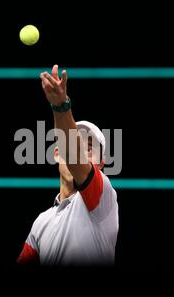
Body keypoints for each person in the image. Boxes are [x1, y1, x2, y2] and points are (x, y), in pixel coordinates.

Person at [17, 65, 119, 265]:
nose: (79, 151)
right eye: (76, 144)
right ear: (57, 154)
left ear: (100, 164)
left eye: (87, 148)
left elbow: (74, 157)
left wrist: (61, 106)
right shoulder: (41, 222)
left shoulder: (102, 197)